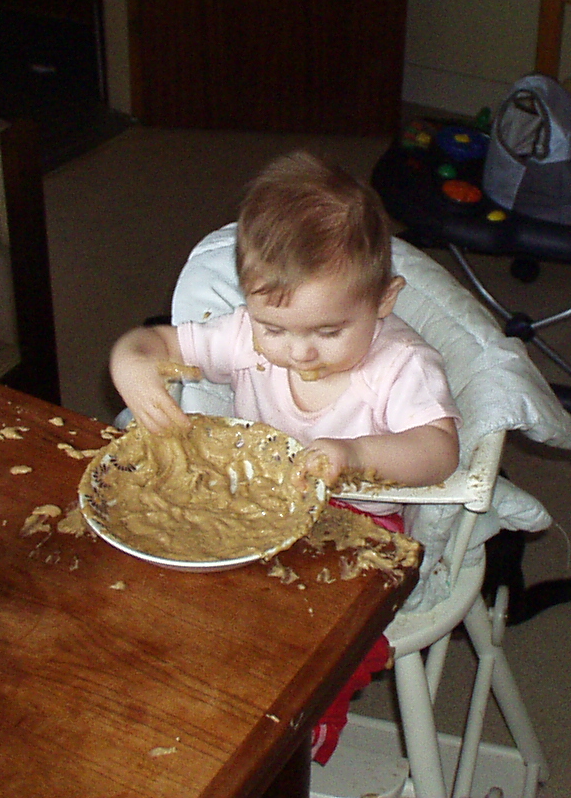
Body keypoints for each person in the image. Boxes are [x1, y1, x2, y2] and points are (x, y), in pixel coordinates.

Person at [110, 151, 461, 762]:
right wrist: (132, 365)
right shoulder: (248, 337)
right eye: (275, 329)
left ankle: (299, 735)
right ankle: (199, 697)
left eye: (328, 331)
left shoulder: (401, 365)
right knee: (171, 592)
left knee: (321, 638)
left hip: (357, 524)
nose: (298, 352)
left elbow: (439, 450)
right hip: (257, 502)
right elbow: (158, 341)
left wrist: (355, 454)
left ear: (384, 300)